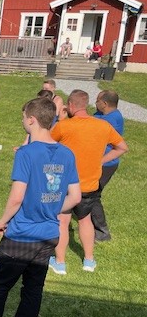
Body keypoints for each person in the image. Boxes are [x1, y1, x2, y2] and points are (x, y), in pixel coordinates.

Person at [0, 97, 81, 317]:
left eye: (22, 117)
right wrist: (51, 208)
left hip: (21, 235)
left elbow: (17, 197)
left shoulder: (27, 153)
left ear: (31, 119)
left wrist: (2, 221)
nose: (22, 121)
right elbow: (75, 197)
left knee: (0, 285)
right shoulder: (67, 153)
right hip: (49, 236)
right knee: (33, 289)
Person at [49, 90, 128, 274]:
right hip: (90, 185)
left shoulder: (64, 126)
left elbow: (46, 145)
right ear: (86, 104)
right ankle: (89, 261)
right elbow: (122, 147)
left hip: (66, 185)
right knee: (85, 220)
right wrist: (101, 160)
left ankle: (60, 263)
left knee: (62, 221)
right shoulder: (103, 126)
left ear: (70, 105)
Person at [92, 90, 124, 242]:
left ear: (104, 103)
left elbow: (90, 127)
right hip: (97, 161)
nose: (95, 103)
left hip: (106, 163)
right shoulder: (100, 114)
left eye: (97, 100)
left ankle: (102, 232)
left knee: (93, 195)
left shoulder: (113, 119)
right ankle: (88, 222)